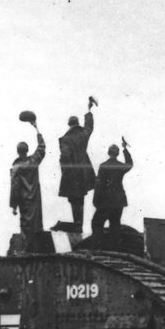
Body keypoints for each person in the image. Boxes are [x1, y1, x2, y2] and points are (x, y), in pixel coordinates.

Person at [58, 96, 96, 231]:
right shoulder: (83, 134)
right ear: (77, 123)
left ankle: (77, 226)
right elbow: (89, 126)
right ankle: (79, 224)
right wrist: (89, 110)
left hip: (72, 176)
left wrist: (66, 175)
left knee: (74, 201)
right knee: (81, 200)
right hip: (84, 175)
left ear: (69, 124)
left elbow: (65, 159)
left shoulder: (66, 139)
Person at [10, 123, 46, 243]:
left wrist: (14, 206)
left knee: (25, 227)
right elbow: (41, 148)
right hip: (35, 200)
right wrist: (37, 128)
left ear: (17, 151)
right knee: (37, 225)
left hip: (24, 202)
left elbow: (14, 188)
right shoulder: (33, 161)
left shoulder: (16, 167)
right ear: (27, 151)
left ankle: (26, 252)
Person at [91, 140, 133, 235]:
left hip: (105, 201)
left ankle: (97, 246)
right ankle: (114, 247)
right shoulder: (120, 166)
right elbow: (129, 164)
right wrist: (125, 149)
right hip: (119, 201)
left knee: (97, 223)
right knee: (115, 224)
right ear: (117, 154)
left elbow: (99, 185)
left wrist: (95, 201)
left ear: (108, 152)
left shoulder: (103, 166)